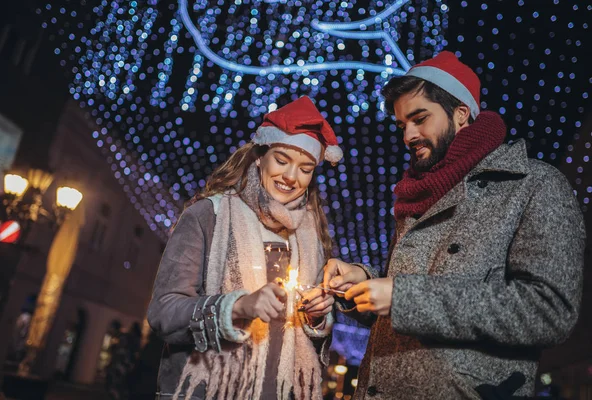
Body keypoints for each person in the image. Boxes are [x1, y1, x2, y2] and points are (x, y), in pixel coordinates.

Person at [323, 51, 585, 399]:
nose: (408, 135)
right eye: (402, 125)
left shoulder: (534, 184)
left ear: (461, 114)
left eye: (420, 119)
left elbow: (549, 311)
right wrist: (365, 284)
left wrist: (403, 298)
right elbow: (407, 309)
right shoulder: (416, 192)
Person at [147, 96, 342, 400]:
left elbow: (305, 330)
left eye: (305, 168)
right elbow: (164, 313)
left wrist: (315, 314)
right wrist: (238, 307)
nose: (291, 177)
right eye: (281, 160)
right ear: (260, 156)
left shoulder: (310, 236)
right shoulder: (208, 216)